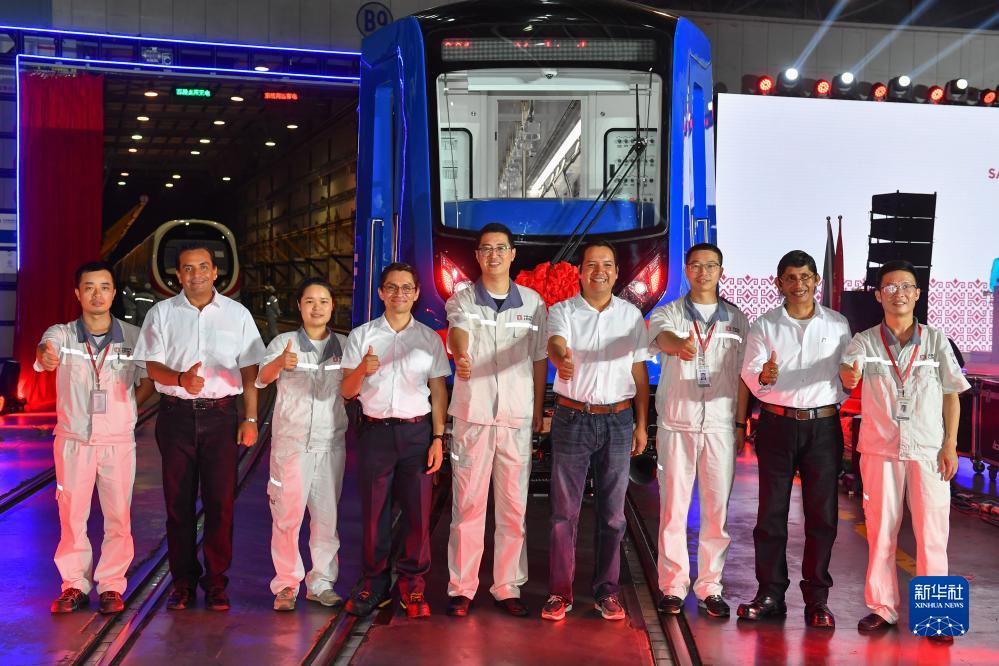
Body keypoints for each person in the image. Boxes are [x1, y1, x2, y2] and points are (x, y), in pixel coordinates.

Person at [840, 260, 969, 643]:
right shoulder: (864, 341)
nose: (899, 293)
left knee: (933, 533)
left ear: (917, 294)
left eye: (906, 287)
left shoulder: (936, 340)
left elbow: (951, 395)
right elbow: (848, 371)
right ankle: (882, 608)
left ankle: (937, 618)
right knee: (880, 531)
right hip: (880, 450)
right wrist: (849, 375)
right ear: (879, 296)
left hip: (928, 451)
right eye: (891, 287)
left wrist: (950, 445)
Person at [132, 244, 265, 611]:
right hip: (175, 418)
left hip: (221, 419)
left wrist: (250, 418)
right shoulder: (161, 314)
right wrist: (179, 379)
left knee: (221, 504)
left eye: (203, 267)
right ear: (178, 275)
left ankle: (217, 583)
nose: (196, 274)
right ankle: (183, 584)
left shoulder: (237, 314)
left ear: (215, 272)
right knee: (178, 506)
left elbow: (250, 370)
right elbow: (152, 366)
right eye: (188, 268)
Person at [737, 250, 851, 628]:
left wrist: (848, 383)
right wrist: (765, 376)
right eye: (790, 277)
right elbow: (751, 373)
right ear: (779, 283)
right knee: (771, 515)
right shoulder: (765, 325)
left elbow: (847, 376)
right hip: (777, 425)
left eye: (805, 277)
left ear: (817, 280)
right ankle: (770, 594)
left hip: (823, 427)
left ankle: (817, 599)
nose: (798, 284)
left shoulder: (838, 324)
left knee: (823, 517)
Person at [36, 261, 154, 615]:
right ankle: (74, 584)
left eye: (104, 287)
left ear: (114, 293)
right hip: (74, 440)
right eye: (89, 288)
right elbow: (46, 349)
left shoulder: (133, 337)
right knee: (72, 515)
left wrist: (128, 407)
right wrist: (46, 355)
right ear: (78, 293)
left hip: (118, 441)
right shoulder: (62, 334)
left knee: (119, 516)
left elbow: (148, 378)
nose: (97, 295)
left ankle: (111, 585)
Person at [444, 223, 548, 618]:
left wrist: (538, 408)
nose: (494, 255)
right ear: (477, 255)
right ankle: (462, 588)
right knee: (468, 506)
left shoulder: (533, 303)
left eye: (500, 248)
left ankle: (507, 587)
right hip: (473, 415)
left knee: (513, 508)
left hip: (516, 418)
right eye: (486, 248)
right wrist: (462, 355)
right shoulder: (463, 299)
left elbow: (539, 357)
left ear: (512, 254)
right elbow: (458, 332)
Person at [543, 240, 650, 622]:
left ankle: (607, 591)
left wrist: (641, 423)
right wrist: (561, 359)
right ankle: (560, 593)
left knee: (613, 515)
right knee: (563, 513)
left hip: (619, 421)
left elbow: (639, 371)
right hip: (572, 418)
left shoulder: (631, 317)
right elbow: (555, 343)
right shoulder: (563, 311)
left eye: (606, 265)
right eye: (591, 264)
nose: (599, 271)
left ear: (616, 273)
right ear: (580, 272)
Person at [340, 262, 450, 619]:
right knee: (375, 514)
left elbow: (438, 390)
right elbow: (347, 390)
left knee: (418, 515)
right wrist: (362, 369)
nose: (398, 293)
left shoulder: (429, 339)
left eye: (406, 288)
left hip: (417, 434)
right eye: (391, 287)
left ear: (416, 293)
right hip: (375, 434)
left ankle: (412, 586)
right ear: (380, 292)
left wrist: (438, 437)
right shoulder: (362, 336)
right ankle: (374, 584)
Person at [649, 243, 749, 619]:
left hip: (720, 426)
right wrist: (679, 345)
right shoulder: (668, 312)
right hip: (677, 423)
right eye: (696, 265)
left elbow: (743, 375)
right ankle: (673, 587)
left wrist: (740, 423)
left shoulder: (737, 319)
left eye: (711, 266)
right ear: (686, 270)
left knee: (716, 512)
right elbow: (661, 338)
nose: (703, 272)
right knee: (673, 509)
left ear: (721, 271)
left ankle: (710, 587)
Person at [256, 278, 348, 611]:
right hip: (291, 446)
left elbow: (355, 387)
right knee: (287, 517)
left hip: (330, 444)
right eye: (310, 301)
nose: (317, 307)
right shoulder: (284, 343)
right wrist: (279, 363)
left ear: (332, 306)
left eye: (323, 301)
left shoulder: (345, 346)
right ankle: (286, 584)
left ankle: (321, 583)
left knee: (326, 518)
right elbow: (261, 378)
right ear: (299, 306)